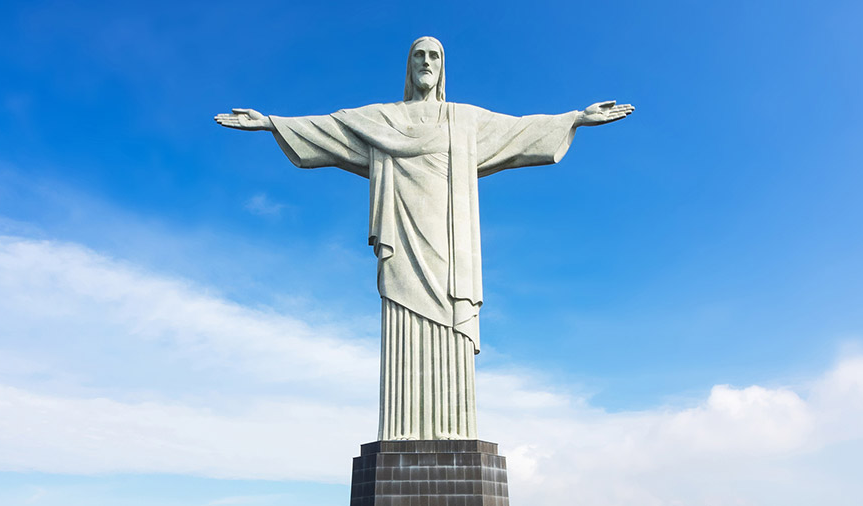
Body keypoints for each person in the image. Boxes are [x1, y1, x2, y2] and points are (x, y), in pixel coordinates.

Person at [215, 36, 633, 440]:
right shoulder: (383, 120)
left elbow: (520, 131)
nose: (427, 63)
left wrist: (576, 117)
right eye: (419, 56)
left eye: (434, 56)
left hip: (451, 241)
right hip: (401, 234)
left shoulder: (464, 120)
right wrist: (272, 123)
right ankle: (401, 430)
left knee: (451, 320)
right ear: (409, 66)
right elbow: (332, 128)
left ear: (442, 65)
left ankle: (456, 429)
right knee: (403, 317)